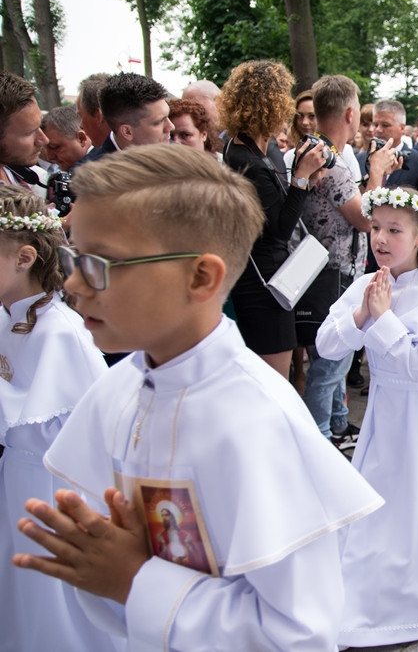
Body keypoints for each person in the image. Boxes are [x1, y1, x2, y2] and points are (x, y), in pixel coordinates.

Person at [12, 144, 383, 649]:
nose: (73, 283)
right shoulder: (115, 391)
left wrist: (137, 583)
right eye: (74, 256)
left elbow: (298, 634)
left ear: (200, 276)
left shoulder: (256, 423)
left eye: (98, 263)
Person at [315, 186, 418, 645]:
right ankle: (375, 574)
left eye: (395, 230)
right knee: (380, 495)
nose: (381, 239)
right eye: (375, 228)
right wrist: (362, 314)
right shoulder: (365, 285)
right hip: (384, 413)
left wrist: (384, 317)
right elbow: (327, 345)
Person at [0, 188, 117, 652]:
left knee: (56, 596)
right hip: (19, 477)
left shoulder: (61, 331)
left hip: (53, 484)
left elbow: (63, 426)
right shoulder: (11, 314)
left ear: (23, 257)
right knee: (23, 588)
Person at [220, 60, 327, 378]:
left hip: (258, 280)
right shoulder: (250, 162)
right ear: (271, 106)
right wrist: (302, 178)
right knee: (273, 384)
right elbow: (279, 230)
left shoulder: (239, 150)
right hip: (267, 287)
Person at [295, 75, 371, 448]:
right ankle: (320, 439)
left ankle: (339, 424)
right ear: (350, 113)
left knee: (335, 360)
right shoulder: (331, 160)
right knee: (329, 364)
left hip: (327, 269)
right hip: (333, 273)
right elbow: (365, 218)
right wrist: (381, 172)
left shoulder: (316, 151)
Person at [41, 105, 92, 171]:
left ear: (81, 138)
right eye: (44, 148)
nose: (49, 157)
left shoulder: (104, 167)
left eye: (54, 147)